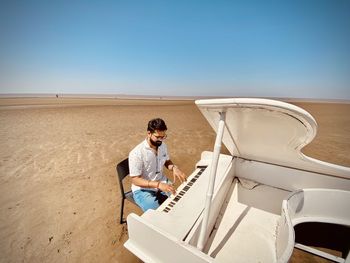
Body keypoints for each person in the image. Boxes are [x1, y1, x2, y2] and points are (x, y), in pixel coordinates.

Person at [128, 118, 186, 212]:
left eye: (163, 137)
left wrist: (174, 168)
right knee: (156, 213)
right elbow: (135, 180)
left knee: (179, 201)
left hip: (162, 182)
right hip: (143, 189)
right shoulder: (136, 153)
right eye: (158, 137)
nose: (161, 140)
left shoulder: (163, 145)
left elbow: (167, 161)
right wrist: (158, 185)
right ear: (149, 133)